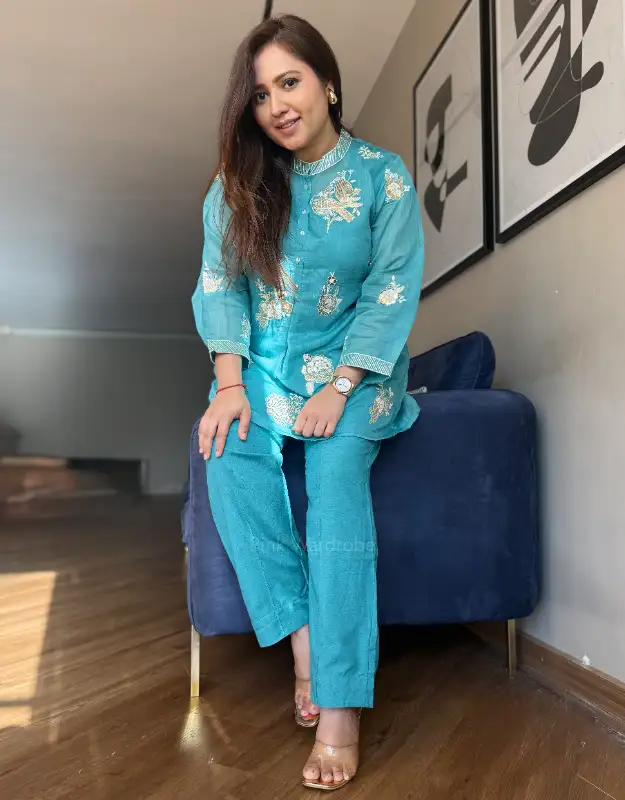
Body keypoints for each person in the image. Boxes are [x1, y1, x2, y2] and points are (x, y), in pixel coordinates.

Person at [192, 13, 424, 792]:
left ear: (326, 83)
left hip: (357, 370)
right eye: (259, 95)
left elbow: (391, 289)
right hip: (261, 368)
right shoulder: (235, 189)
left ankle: (340, 707)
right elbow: (220, 288)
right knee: (226, 452)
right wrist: (230, 384)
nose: (276, 106)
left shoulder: (383, 176)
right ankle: (302, 640)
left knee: (334, 485)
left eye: (288, 83)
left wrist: (342, 385)